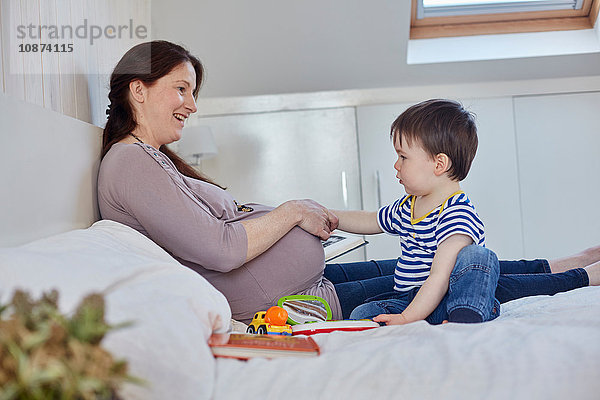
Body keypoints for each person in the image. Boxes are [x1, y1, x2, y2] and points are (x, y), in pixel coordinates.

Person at [98, 40, 600, 325]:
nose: (191, 102)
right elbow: (222, 248)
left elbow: (225, 224)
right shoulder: (129, 165)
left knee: (435, 265)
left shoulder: (153, 159)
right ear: (138, 92)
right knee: (442, 279)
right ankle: (576, 274)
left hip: (302, 279)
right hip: (284, 298)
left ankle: (566, 262)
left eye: (193, 90)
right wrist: (293, 212)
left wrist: (307, 218)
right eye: (180, 89)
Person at [329, 99, 599, 324]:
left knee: (476, 256)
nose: (396, 166)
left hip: (449, 290)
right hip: (413, 294)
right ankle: (450, 312)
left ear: (439, 164)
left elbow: (440, 276)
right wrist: (330, 216)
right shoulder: (410, 205)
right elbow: (372, 219)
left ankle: (472, 309)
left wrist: (408, 317)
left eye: (403, 157)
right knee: (361, 314)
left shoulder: (456, 215)